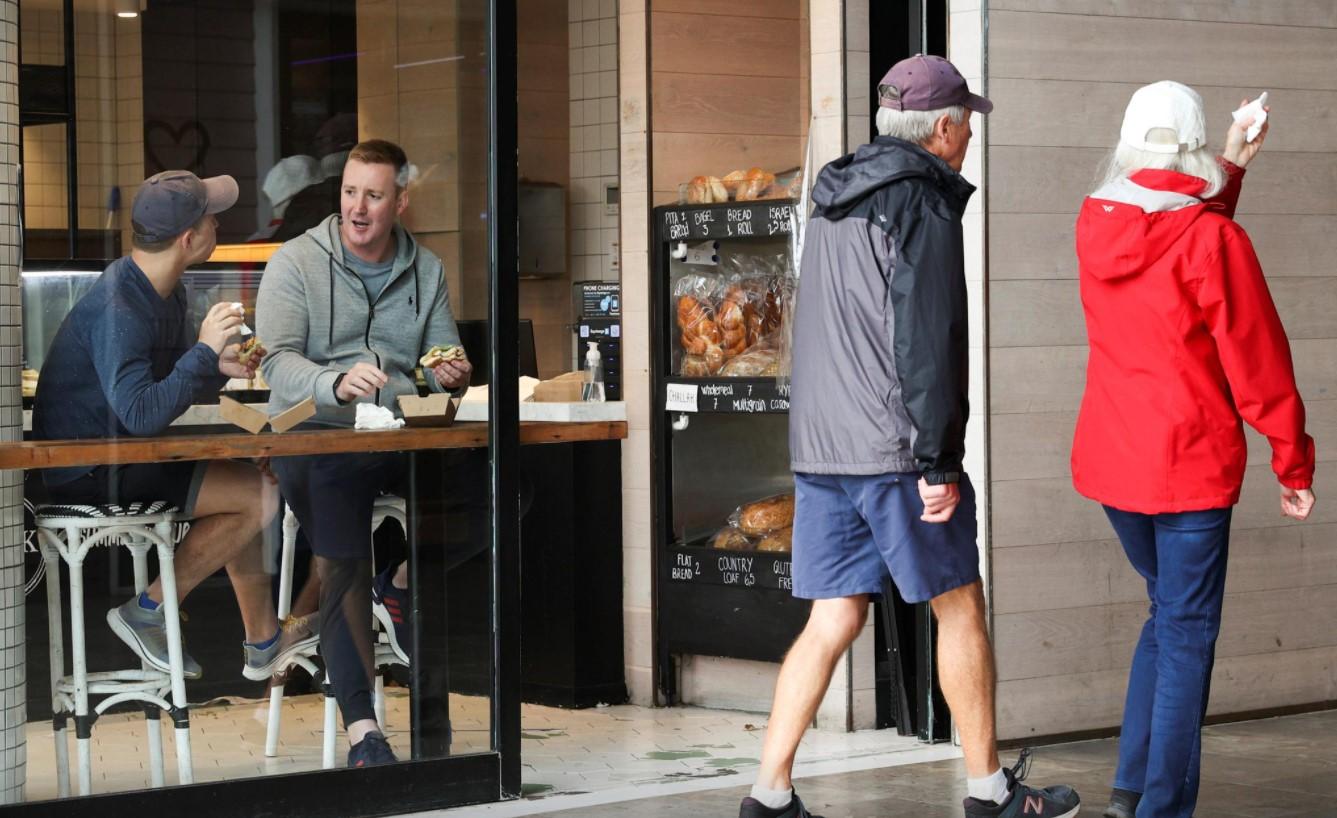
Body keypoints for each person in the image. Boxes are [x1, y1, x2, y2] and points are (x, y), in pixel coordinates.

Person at [741, 55, 1080, 818]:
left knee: (832, 616)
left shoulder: (831, 194)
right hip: (893, 450)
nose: (966, 138)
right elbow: (927, 338)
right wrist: (938, 459)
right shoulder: (918, 202)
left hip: (822, 447)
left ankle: (768, 793)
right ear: (942, 128)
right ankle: (988, 792)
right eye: (964, 124)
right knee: (958, 603)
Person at [1074, 82, 1316, 818]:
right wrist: (1291, 459)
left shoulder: (1093, 222)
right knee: (1185, 634)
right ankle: (1159, 809)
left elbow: (1174, 242)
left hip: (1113, 464)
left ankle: (1129, 788)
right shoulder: (1213, 240)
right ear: (1195, 144)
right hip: (1187, 469)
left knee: (1165, 614)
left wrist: (1232, 166)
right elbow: (1257, 358)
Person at [32, 170, 315, 682]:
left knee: (254, 489)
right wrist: (204, 351)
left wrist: (215, 366)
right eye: (211, 216)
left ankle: (263, 641)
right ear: (189, 238)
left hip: (127, 455)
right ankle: (149, 609)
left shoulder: (166, 291)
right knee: (258, 497)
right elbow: (141, 413)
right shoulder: (121, 304)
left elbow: (166, 390)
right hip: (90, 470)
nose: (217, 223)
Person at [256, 138, 471, 767]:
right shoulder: (295, 262)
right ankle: (363, 731)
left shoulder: (426, 269)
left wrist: (447, 372)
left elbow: (438, 358)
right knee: (339, 548)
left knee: (512, 483)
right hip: (315, 436)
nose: (357, 207)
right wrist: (333, 382)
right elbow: (275, 361)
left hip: (396, 433)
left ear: (399, 201)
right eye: (350, 191)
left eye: (373, 195)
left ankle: (398, 578)